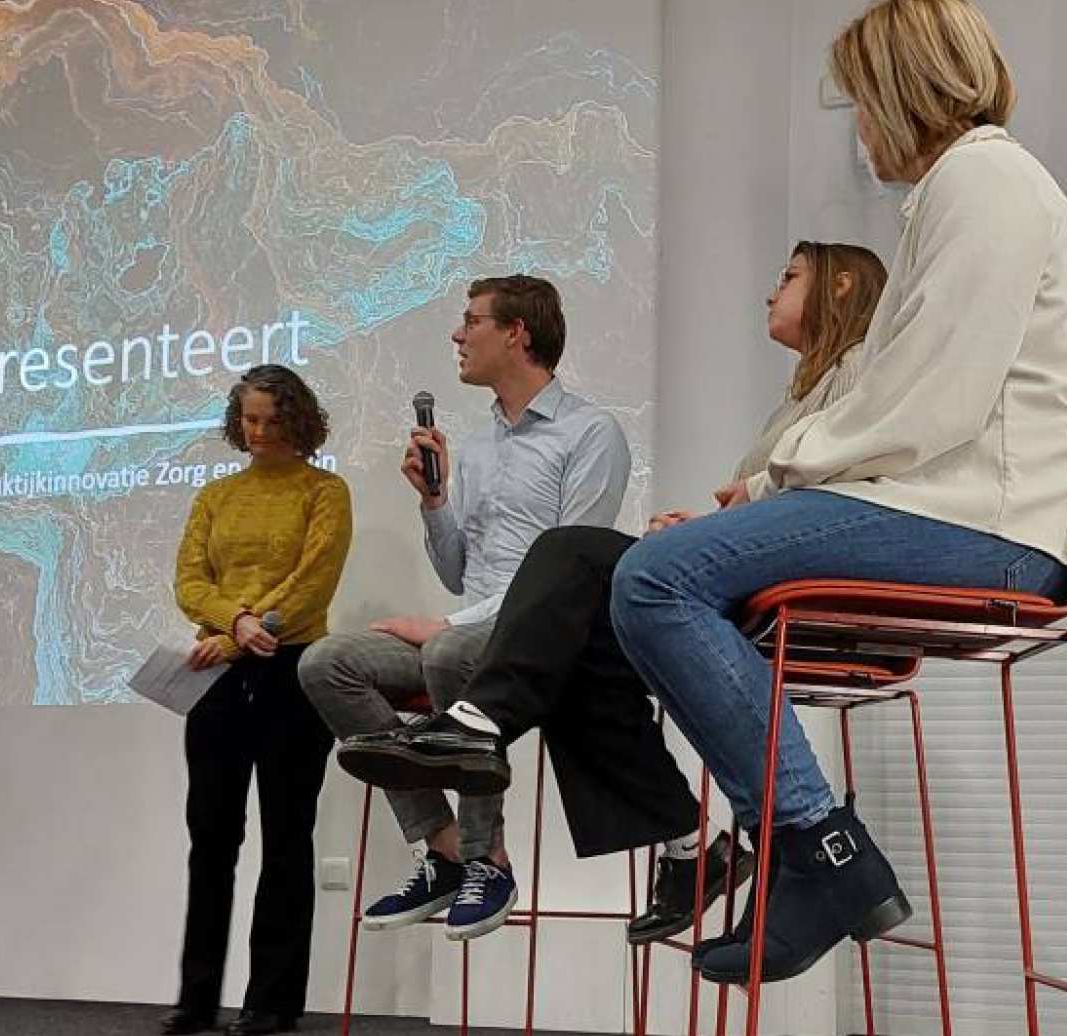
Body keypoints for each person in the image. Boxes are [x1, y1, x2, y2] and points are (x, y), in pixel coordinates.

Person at [613, 0, 1067, 985]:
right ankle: (816, 850)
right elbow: (901, 392)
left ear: (900, 88)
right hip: (962, 505)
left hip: (986, 521)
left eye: (859, 105)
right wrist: (766, 482)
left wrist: (774, 479)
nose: (857, 134)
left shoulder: (984, 181)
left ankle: (815, 846)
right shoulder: (962, 189)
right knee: (658, 576)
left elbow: (930, 400)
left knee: (654, 581)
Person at [336, 242, 890, 946]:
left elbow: (835, 491)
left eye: (788, 277)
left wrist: (729, 516)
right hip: (738, 576)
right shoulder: (805, 393)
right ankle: (693, 850)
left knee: (567, 566)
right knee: (549, 645)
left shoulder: (862, 378)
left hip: (794, 584)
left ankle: (484, 742)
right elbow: (784, 500)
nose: (769, 290)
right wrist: (436, 503)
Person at [297, 275, 630, 942]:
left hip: (545, 645)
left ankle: (488, 858)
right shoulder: (477, 447)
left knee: (450, 650)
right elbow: (457, 577)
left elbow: (568, 578)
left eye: (470, 320)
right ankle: (443, 848)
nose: (456, 334)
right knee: (325, 663)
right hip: (474, 628)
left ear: (517, 333)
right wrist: (433, 503)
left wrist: (448, 627)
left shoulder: (591, 433)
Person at [165, 366, 351, 1036]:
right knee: (210, 838)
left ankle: (272, 1001)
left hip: (291, 671)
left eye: (274, 419)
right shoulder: (215, 495)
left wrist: (244, 633)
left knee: (285, 836)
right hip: (215, 670)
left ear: (299, 419)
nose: (261, 431)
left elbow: (313, 584)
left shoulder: (325, 492)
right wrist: (232, 622)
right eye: (250, 420)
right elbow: (189, 579)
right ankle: (197, 997)